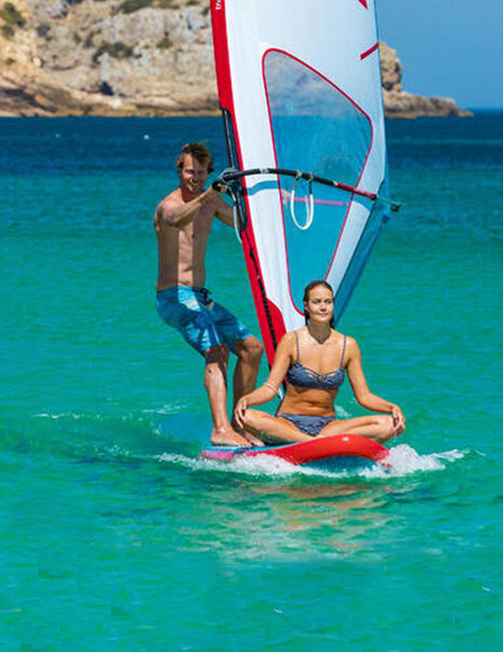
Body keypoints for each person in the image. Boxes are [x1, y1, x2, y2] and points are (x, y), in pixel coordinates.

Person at [154, 142, 263, 446]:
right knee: (217, 351)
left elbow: (242, 223)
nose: (195, 177)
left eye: (201, 172)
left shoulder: (211, 202)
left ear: (208, 172)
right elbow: (178, 219)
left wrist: (261, 199)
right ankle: (220, 429)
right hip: (174, 297)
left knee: (252, 349)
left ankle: (241, 424)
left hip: (200, 297)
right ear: (180, 170)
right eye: (190, 171)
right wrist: (211, 193)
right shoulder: (169, 205)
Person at [234, 280, 405, 444]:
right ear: (306, 306)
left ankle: (316, 442)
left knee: (388, 424)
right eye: (316, 302)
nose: (323, 307)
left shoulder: (348, 345)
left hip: (328, 427)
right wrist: (247, 400)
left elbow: (364, 396)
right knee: (248, 416)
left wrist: (391, 408)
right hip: (289, 423)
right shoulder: (291, 341)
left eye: (328, 302)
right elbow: (270, 387)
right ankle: (310, 442)